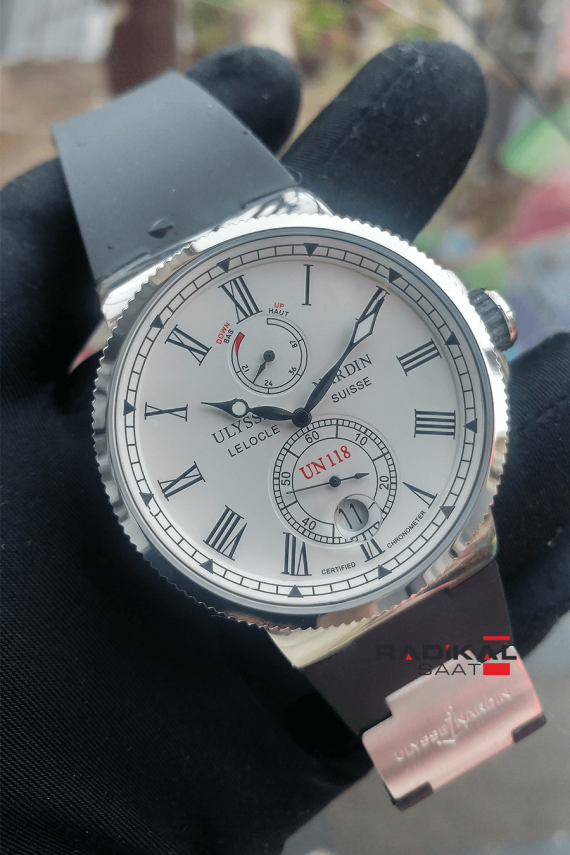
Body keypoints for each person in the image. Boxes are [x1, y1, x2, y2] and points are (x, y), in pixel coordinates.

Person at [2, 41, 569, 855]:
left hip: (404, 540)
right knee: (453, 724)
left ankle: (455, 728)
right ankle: (452, 729)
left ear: (477, 324)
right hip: (289, 559)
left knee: (460, 728)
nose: (301, 417)